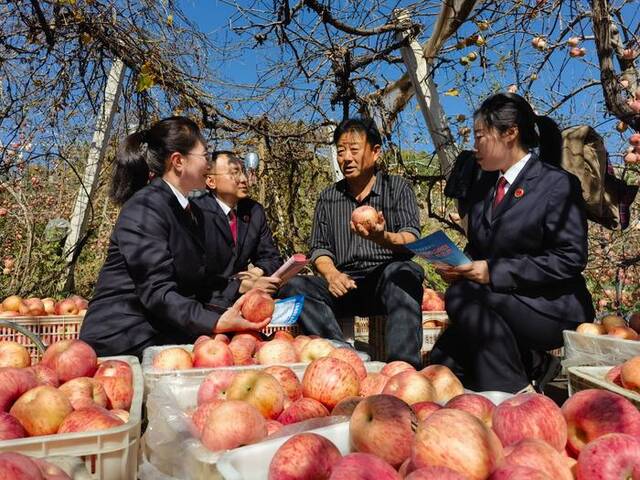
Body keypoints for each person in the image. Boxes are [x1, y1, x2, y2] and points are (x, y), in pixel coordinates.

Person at [430, 93, 595, 394]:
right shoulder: (484, 188)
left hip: (551, 305)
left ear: (509, 133)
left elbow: (571, 257)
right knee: (442, 365)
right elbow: (480, 249)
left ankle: (516, 394)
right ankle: (531, 362)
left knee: (463, 297)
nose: (475, 146)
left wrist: (493, 272)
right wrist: (459, 265)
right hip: (497, 302)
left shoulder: (555, 184)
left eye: (480, 136)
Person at [80, 117, 270, 357]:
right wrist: (216, 322)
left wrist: (241, 290)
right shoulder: (145, 208)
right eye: (205, 155)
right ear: (179, 162)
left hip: (165, 331)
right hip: (123, 340)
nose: (208, 164)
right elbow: (158, 292)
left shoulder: (191, 212)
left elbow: (201, 281)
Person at [280, 118, 425, 368]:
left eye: (354, 150)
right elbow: (320, 248)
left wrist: (382, 237)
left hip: (386, 280)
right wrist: (332, 274)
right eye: (340, 151)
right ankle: (343, 355)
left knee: (405, 273)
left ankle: (403, 368)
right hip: (345, 284)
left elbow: (411, 238)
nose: (346, 157)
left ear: (375, 152)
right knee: (295, 287)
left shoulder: (397, 189)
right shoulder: (329, 197)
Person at [192, 151, 283, 309]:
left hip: (248, 297)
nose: (243, 179)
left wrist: (255, 273)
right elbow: (194, 275)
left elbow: (272, 258)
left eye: (243, 171)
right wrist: (238, 285)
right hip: (207, 301)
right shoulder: (197, 213)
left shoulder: (254, 211)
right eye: (235, 172)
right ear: (211, 181)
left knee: (299, 286)